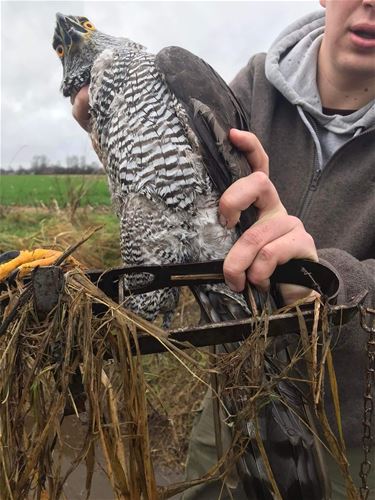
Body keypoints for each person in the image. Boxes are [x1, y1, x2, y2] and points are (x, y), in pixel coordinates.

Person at [72, 1, 375, 497]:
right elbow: (179, 193)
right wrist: (124, 136)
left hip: (358, 431)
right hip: (233, 398)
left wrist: (325, 283)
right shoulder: (252, 85)